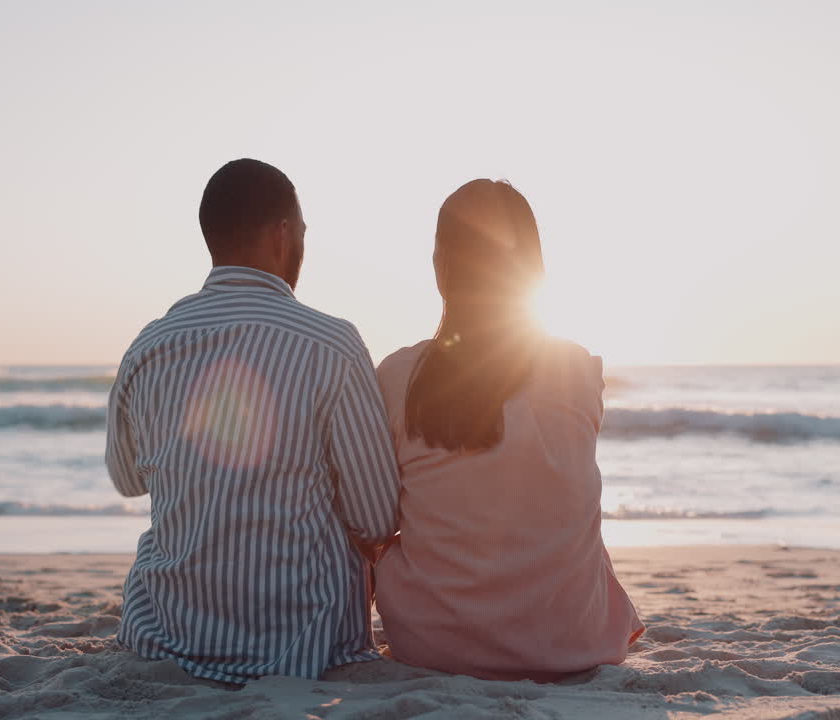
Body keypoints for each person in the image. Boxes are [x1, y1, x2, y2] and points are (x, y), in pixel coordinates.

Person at [106, 158, 400, 684]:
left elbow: (128, 480)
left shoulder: (146, 346)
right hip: (304, 639)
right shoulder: (330, 343)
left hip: (166, 632)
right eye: (303, 231)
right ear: (283, 234)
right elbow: (377, 516)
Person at [373, 179, 644, 681]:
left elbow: (379, 512)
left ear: (441, 266)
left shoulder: (397, 376)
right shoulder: (579, 369)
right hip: (574, 644)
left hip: (434, 645)